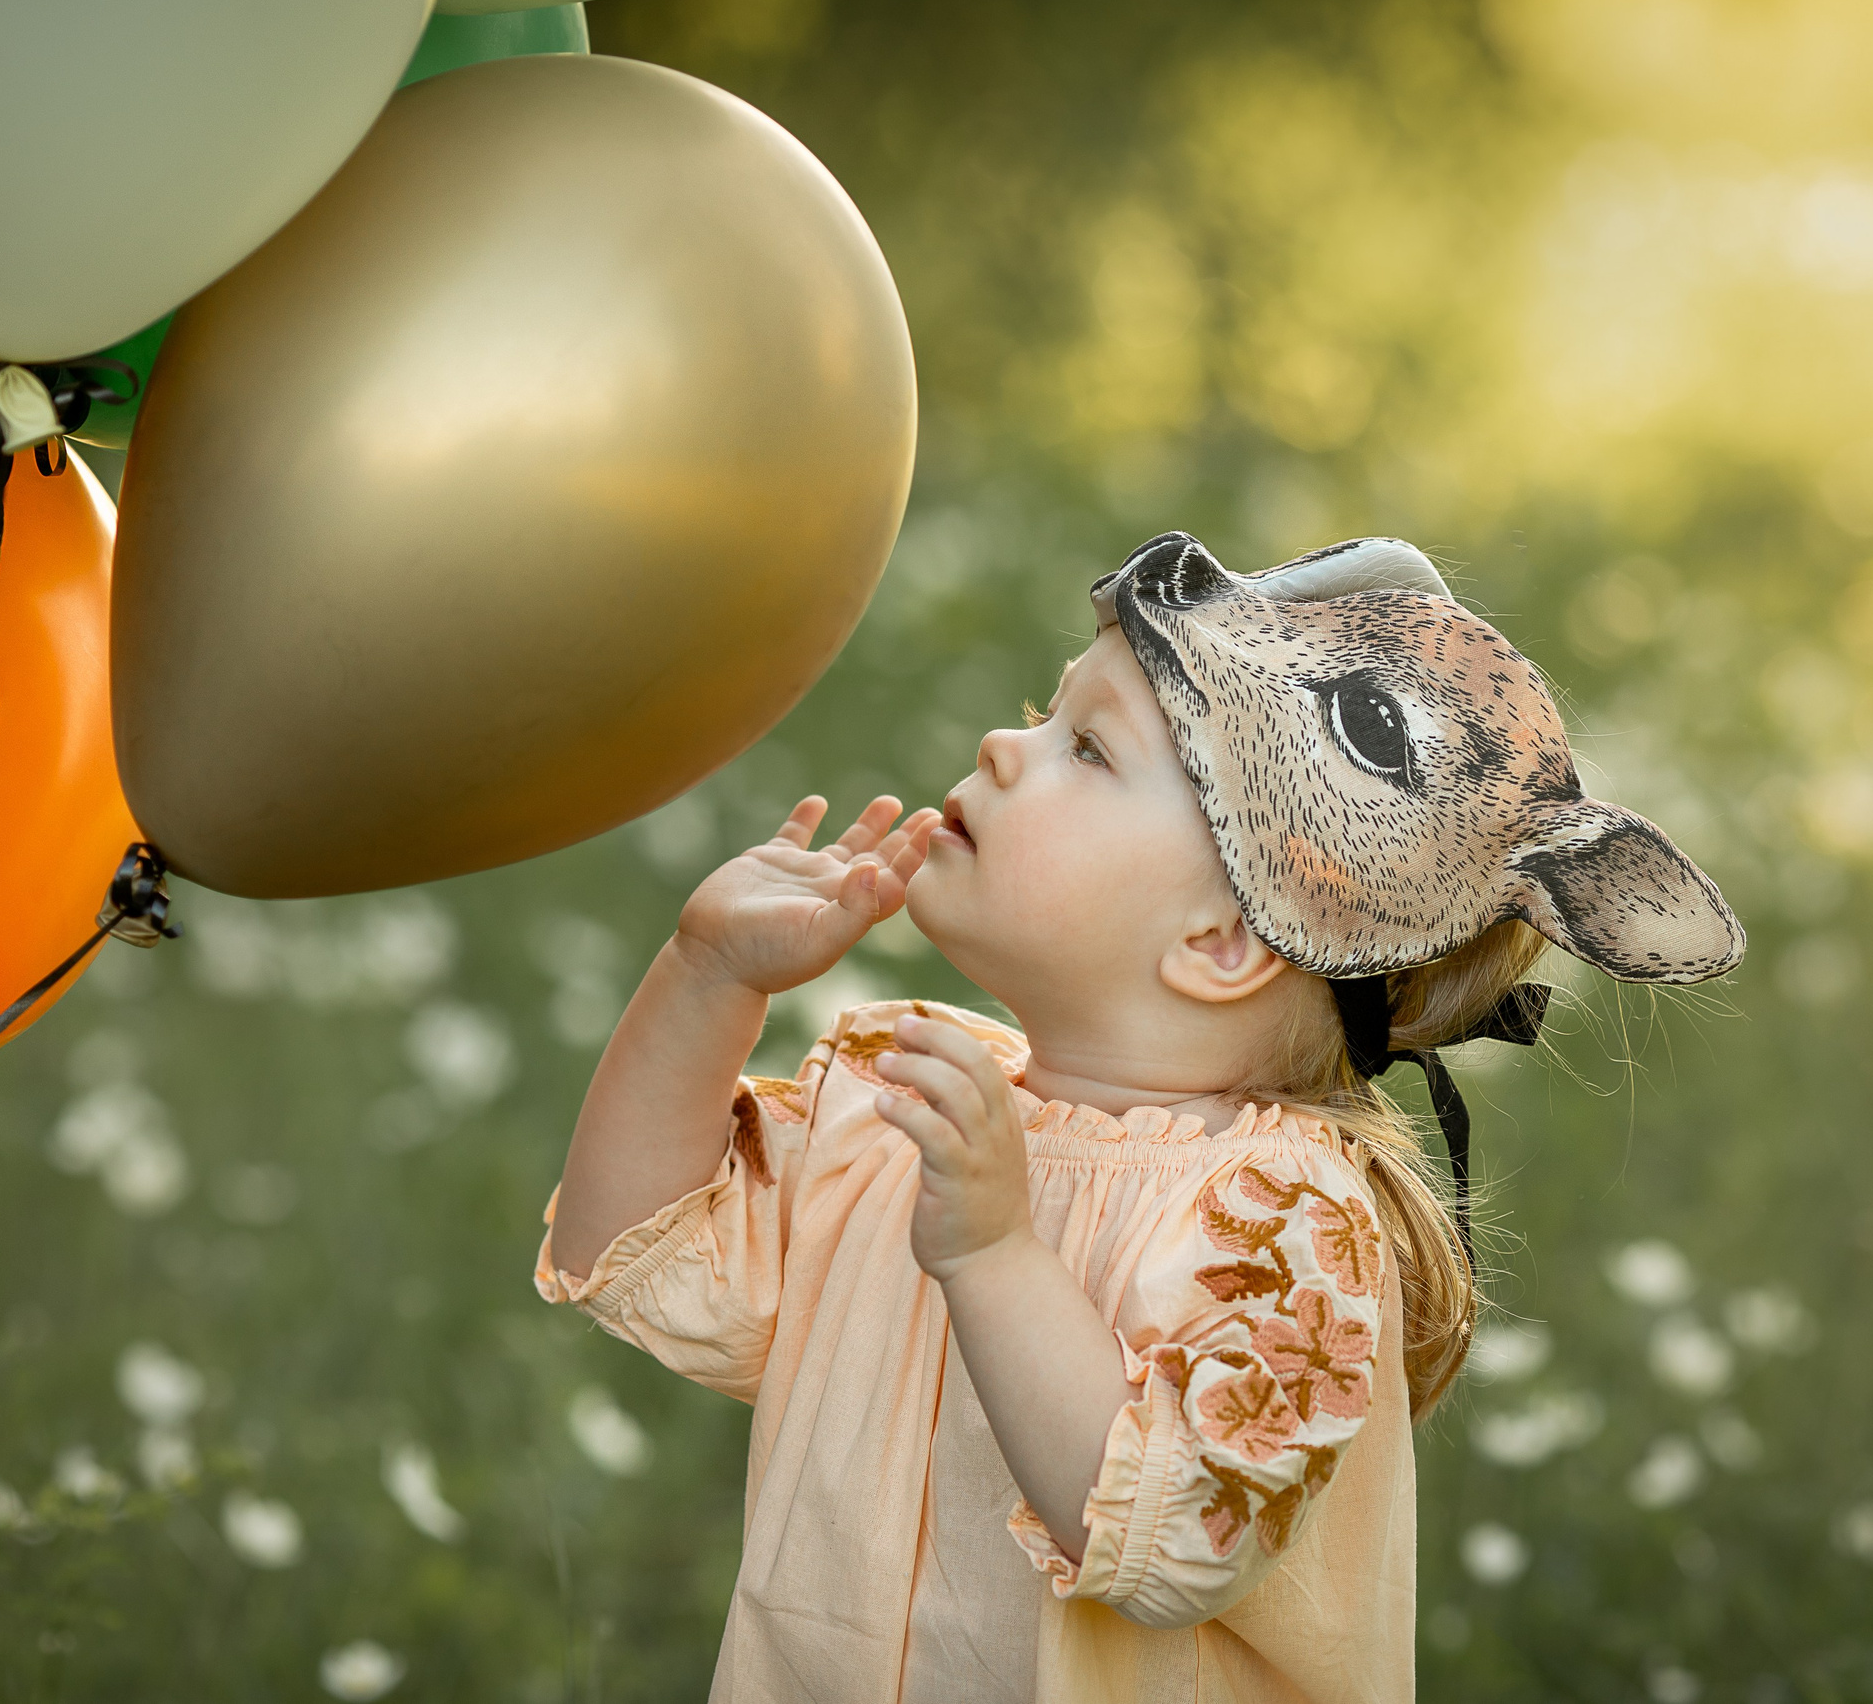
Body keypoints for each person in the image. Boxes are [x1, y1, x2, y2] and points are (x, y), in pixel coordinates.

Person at [538, 531, 1744, 1702]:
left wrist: (996, 1254)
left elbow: (1170, 1540)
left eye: (1087, 750)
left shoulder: (1281, 1222)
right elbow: (633, 1244)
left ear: (1217, 944)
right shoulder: (908, 1107)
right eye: (1042, 711)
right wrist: (704, 978)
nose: (1003, 748)